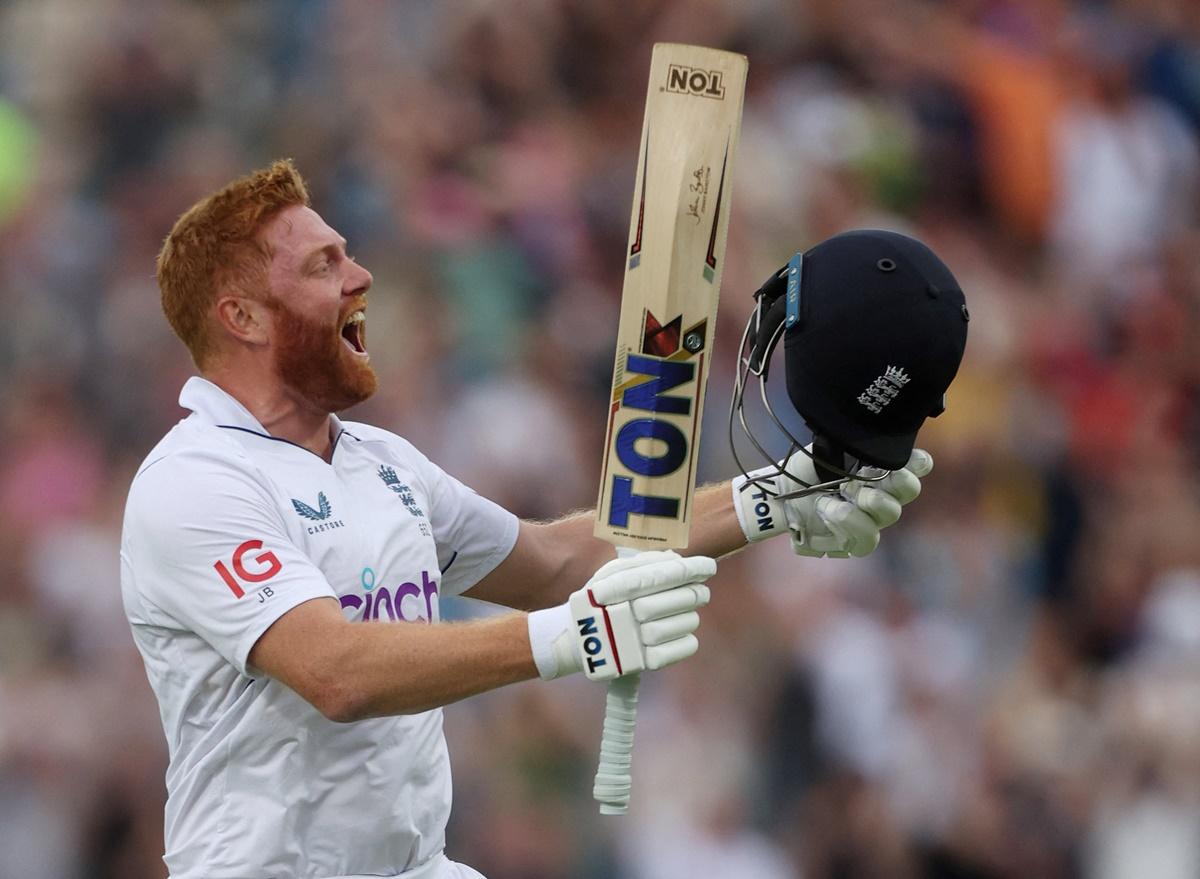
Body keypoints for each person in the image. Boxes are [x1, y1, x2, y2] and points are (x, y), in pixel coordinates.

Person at [119, 160, 932, 879]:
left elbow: (552, 564)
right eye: (323, 265)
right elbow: (337, 671)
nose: (360, 275)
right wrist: (570, 639)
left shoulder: (381, 461)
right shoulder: (195, 483)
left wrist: (777, 494)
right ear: (245, 318)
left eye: (349, 252)